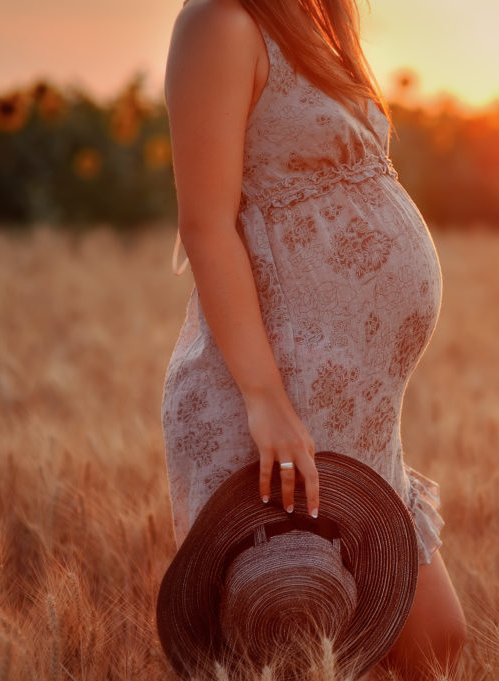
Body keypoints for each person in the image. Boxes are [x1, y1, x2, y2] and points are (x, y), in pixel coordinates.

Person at [160, 0, 467, 678]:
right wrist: (264, 395)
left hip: (357, 417)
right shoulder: (221, 23)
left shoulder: (312, 21)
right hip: (280, 399)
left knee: (434, 642)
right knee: (294, 647)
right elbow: (206, 226)